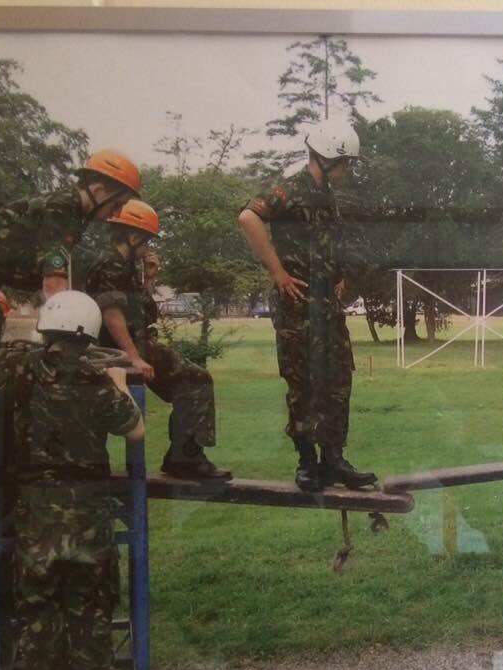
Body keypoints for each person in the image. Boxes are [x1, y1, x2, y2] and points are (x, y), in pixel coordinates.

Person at [0, 150, 141, 632]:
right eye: (118, 204)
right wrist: (69, 343)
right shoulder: (63, 212)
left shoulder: (63, 210)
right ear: (104, 190)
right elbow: (55, 290)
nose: (114, 216)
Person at [0, 291, 144, 670]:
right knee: (91, 610)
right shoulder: (95, 385)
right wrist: (118, 382)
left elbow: (5, 352)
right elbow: (134, 430)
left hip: (36, 515)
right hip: (87, 515)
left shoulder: (19, 371)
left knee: (39, 613)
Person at [238, 118, 376, 492]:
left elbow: (329, 245)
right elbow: (248, 216)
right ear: (327, 156)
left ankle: (333, 459)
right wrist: (278, 272)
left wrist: (342, 277)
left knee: (339, 380)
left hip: (327, 305)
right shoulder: (290, 189)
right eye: (345, 161)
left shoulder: (326, 194)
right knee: (302, 382)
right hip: (297, 304)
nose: (348, 169)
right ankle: (307, 463)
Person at [84, 199, 229, 478]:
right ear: (134, 235)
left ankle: (184, 456)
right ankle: (185, 459)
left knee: (193, 380)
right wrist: (134, 358)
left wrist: (149, 280)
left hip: (135, 345)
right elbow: (112, 314)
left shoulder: (124, 265)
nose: (149, 248)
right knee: (194, 379)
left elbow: (142, 312)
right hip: (116, 351)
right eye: (147, 241)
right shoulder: (110, 264)